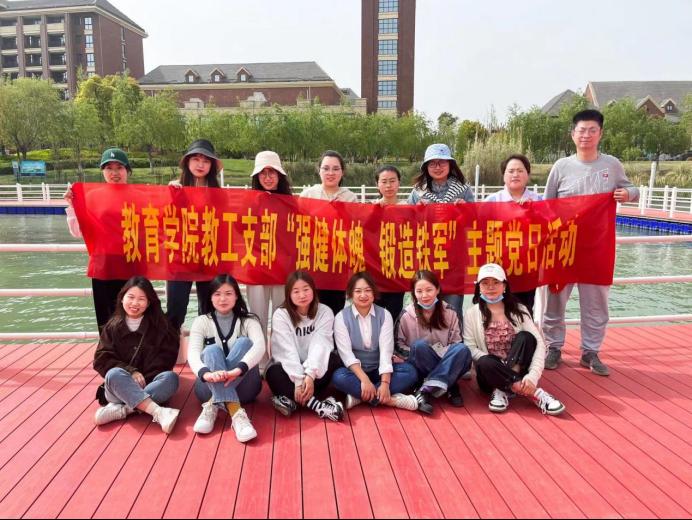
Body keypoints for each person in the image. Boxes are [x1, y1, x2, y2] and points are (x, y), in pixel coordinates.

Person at [542, 109, 639, 376]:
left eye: (592, 130)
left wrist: (627, 193)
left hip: (597, 247)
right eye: (581, 130)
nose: (586, 135)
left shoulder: (612, 165)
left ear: (600, 134)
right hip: (564, 246)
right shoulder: (561, 167)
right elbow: (547, 205)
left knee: (596, 303)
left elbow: (633, 189)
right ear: (573, 134)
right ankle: (553, 347)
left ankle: (590, 351)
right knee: (555, 300)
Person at [464, 263, 565, 415]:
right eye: (485, 283)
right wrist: (499, 366)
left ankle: (503, 388)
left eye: (496, 282)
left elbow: (539, 344)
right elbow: (470, 347)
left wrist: (532, 377)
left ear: (504, 286)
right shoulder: (471, 314)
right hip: (489, 375)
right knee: (485, 361)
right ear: (479, 287)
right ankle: (534, 393)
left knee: (527, 337)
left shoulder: (519, 310)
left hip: (520, 370)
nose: (491, 287)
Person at [92, 276, 181, 434]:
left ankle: (123, 410)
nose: (135, 303)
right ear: (122, 298)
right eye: (131, 297)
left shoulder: (161, 326)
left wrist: (143, 380)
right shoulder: (112, 327)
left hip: (150, 384)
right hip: (119, 388)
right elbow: (101, 359)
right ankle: (158, 412)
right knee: (113, 374)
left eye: (141, 299)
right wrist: (131, 372)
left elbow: (167, 359)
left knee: (171, 379)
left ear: (149, 302)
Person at [187, 274, 264, 442]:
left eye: (228, 293)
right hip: (208, 387)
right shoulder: (201, 321)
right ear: (210, 297)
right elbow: (192, 353)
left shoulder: (249, 321)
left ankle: (214, 403)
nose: (223, 299)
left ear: (236, 295)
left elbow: (260, 347)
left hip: (246, 388)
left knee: (245, 343)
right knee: (211, 350)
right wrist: (206, 374)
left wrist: (238, 370)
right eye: (217, 294)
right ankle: (235, 411)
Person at [407, 143, 475, 327]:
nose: (437, 167)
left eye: (442, 162)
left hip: (454, 258)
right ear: (426, 167)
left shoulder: (464, 189)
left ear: (450, 165)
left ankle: (456, 341)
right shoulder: (417, 192)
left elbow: (474, 222)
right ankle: (424, 339)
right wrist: (416, 211)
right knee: (425, 303)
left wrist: (466, 210)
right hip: (427, 257)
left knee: (453, 306)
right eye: (432, 163)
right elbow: (407, 224)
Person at [64, 147, 131, 331]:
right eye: (109, 168)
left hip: (132, 263)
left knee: (134, 313)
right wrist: (72, 206)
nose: (114, 173)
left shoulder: (140, 196)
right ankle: (107, 348)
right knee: (106, 316)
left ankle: (135, 348)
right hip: (103, 265)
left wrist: (175, 193)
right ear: (103, 171)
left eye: (119, 167)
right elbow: (78, 232)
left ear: (127, 170)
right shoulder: (92, 197)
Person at [331, 272, 419, 411]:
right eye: (358, 291)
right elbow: (346, 355)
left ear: (374, 292)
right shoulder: (341, 318)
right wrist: (364, 380)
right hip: (355, 373)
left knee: (410, 372)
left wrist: (385, 383)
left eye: (367, 290)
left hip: (379, 370)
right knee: (338, 377)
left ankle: (360, 397)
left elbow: (386, 352)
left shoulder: (384, 315)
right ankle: (392, 400)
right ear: (350, 294)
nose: (363, 295)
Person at [265, 271, 344, 421]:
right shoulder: (281, 315)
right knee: (272, 372)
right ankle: (318, 406)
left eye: (306, 289)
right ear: (289, 294)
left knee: (333, 360)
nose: (302, 295)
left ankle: (289, 400)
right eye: (296, 291)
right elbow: (286, 351)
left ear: (313, 290)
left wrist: (310, 375)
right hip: (290, 372)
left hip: (314, 371)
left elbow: (320, 345)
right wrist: (298, 380)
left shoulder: (325, 312)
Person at [396, 270, 472, 414]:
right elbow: (398, 346)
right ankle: (450, 384)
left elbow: (457, 342)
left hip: (446, 357)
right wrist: (416, 352)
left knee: (462, 350)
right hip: (421, 361)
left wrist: (441, 355)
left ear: (437, 289)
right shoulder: (406, 314)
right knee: (419, 346)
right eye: (419, 291)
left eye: (429, 290)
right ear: (413, 293)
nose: (424, 295)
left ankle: (425, 389)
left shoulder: (450, 311)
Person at [166, 139, 223, 332]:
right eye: (196, 159)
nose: (201, 165)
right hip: (180, 257)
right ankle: (169, 348)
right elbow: (162, 220)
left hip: (209, 257)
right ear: (187, 162)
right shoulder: (175, 189)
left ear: (212, 166)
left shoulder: (219, 194)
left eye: (206, 161)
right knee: (175, 310)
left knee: (208, 311)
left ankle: (207, 349)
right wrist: (170, 197)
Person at [246, 151, 291, 368]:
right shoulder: (247, 202)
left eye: (272, 172)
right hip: (256, 269)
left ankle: (281, 362)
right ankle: (260, 363)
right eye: (262, 173)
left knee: (282, 317)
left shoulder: (292, 203)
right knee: (257, 317)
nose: (267, 177)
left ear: (280, 175)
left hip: (283, 270)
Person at [300, 150, 357, 316]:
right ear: (319, 170)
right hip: (312, 261)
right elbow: (297, 226)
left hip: (337, 264)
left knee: (334, 310)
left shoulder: (350, 197)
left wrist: (342, 213)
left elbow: (355, 233)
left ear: (342, 172)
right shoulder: (308, 195)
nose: (330, 173)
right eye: (326, 168)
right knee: (309, 309)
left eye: (335, 169)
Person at [484, 154, 542, 315]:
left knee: (524, 311)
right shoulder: (492, 201)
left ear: (528, 174)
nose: (515, 175)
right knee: (495, 310)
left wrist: (535, 212)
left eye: (520, 171)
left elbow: (552, 227)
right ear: (503, 175)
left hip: (527, 268)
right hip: (498, 266)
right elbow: (476, 229)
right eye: (511, 171)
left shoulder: (539, 201)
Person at [373, 165, 407, 321]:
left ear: (399, 183)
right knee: (374, 313)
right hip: (375, 269)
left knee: (395, 312)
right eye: (384, 181)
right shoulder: (369, 207)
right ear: (377, 184)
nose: (388, 186)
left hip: (397, 271)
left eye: (392, 181)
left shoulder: (408, 207)